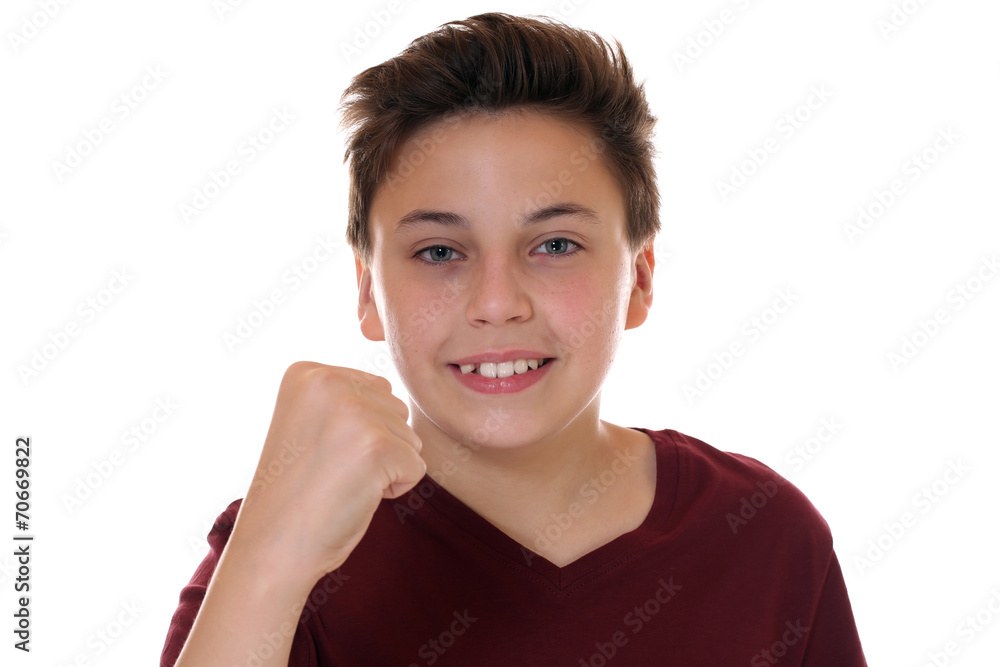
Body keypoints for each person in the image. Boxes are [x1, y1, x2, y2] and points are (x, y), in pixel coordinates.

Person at [161, 12, 867, 666]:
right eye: (440, 252)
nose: (497, 304)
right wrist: (268, 563)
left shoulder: (767, 537)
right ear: (369, 291)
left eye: (555, 244)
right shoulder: (276, 549)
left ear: (640, 278)